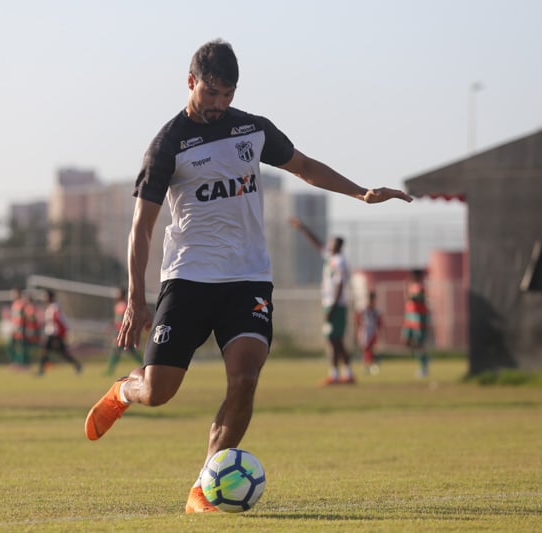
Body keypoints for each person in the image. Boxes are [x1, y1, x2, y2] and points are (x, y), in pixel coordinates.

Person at [83, 39, 412, 514]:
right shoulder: (167, 145)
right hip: (189, 279)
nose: (219, 105)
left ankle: (204, 486)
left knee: (245, 377)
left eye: (228, 95)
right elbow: (143, 225)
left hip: (248, 279)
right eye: (211, 93)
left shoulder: (252, 131)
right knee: (158, 391)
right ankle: (123, 391)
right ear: (191, 81)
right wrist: (136, 297)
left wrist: (360, 193)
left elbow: (303, 166)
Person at [288, 217, 354, 385]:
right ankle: (347, 373)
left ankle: (334, 375)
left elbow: (339, 285)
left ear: (338, 246)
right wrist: (302, 227)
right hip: (332, 304)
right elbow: (316, 242)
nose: (329, 245)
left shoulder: (340, 262)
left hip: (336, 305)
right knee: (336, 339)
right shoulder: (330, 257)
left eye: (332, 243)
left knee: (331, 339)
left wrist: (331, 308)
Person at [37, 290, 83, 376]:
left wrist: (63, 333)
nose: (44, 298)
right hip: (51, 333)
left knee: (50, 350)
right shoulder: (50, 307)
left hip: (54, 333)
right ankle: (42, 369)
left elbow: (59, 320)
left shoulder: (54, 307)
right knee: (54, 351)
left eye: (45, 296)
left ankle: (41, 370)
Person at [105, 287, 143, 376]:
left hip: (124, 332)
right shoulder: (117, 305)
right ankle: (110, 370)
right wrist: (110, 326)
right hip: (119, 332)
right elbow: (116, 320)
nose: (116, 294)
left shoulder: (126, 305)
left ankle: (146, 365)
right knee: (119, 351)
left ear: (122, 294)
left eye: (118, 293)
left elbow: (126, 319)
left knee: (120, 350)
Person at [401, 269, 430, 377]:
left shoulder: (420, 287)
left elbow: (419, 297)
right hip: (409, 318)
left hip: (418, 318)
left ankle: (424, 367)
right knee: (406, 341)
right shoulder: (410, 287)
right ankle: (425, 358)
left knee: (419, 343)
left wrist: (412, 297)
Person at [356, 290, 383, 375]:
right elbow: (357, 320)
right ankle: (370, 364)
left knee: (369, 349)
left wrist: (379, 331)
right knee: (366, 349)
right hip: (364, 332)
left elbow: (379, 322)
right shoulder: (362, 309)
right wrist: (358, 330)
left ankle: (371, 365)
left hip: (372, 332)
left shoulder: (376, 311)